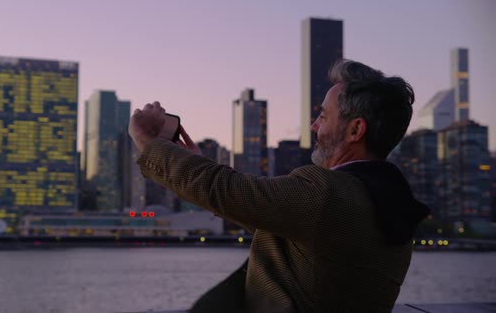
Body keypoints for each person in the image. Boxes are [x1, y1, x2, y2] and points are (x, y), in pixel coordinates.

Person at [128, 59, 430, 313]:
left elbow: (225, 190)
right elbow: (264, 212)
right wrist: (195, 161)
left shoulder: (327, 191)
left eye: (323, 116)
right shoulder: (387, 198)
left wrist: (147, 142)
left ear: (355, 130)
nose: (314, 126)